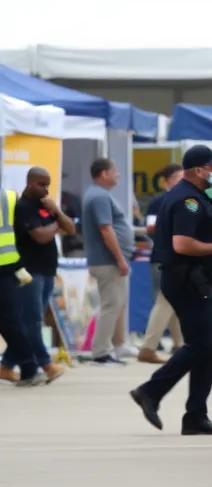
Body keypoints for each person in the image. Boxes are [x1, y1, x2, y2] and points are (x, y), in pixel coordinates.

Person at [128, 145, 212, 435]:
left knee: (207, 346)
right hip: (187, 279)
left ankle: (196, 415)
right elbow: (181, 244)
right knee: (201, 345)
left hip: (194, 278)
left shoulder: (195, 197)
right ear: (198, 170)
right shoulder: (188, 200)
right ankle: (151, 390)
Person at [0, 169, 72, 384]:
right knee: (30, 321)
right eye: (41, 184)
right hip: (28, 271)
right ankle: (44, 363)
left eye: (48, 184)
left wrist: (57, 213)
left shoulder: (46, 205)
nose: (46, 189)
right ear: (29, 183)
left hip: (46, 269)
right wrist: (56, 225)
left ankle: (6, 365)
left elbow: (70, 228)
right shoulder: (22, 206)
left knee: (25, 322)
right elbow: (40, 236)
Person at [82, 158, 137, 364]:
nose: (118, 175)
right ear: (104, 173)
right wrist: (120, 258)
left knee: (117, 304)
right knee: (111, 305)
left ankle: (118, 345)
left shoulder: (99, 195)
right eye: (115, 171)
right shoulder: (99, 197)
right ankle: (101, 352)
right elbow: (106, 229)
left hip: (109, 260)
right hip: (108, 261)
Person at [139, 163, 185, 363]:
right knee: (166, 300)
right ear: (170, 180)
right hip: (166, 257)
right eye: (180, 177)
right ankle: (148, 347)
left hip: (172, 256)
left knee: (174, 302)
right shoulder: (160, 201)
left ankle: (180, 344)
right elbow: (150, 228)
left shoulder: (184, 200)